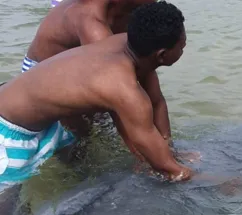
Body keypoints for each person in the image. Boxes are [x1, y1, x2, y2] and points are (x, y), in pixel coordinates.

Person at [0, 1, 192, 186]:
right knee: (8, 211)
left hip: (34, 114)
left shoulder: (127, 44)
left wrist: (169, 150)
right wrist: (203, 178)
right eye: (182, 47)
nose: (183, 49)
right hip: (8, 131)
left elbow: (157, 101)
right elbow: (169, 170)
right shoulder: (122, 87)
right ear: (162, 55)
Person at [22, 0, 173, 149]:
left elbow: (155, 97)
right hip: (46, 77)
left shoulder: (132, 11)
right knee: (78, 137)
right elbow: (119, 102)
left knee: (106, 124)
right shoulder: (90, 21)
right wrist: (151, 161)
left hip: (87, 66)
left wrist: (168, 147)